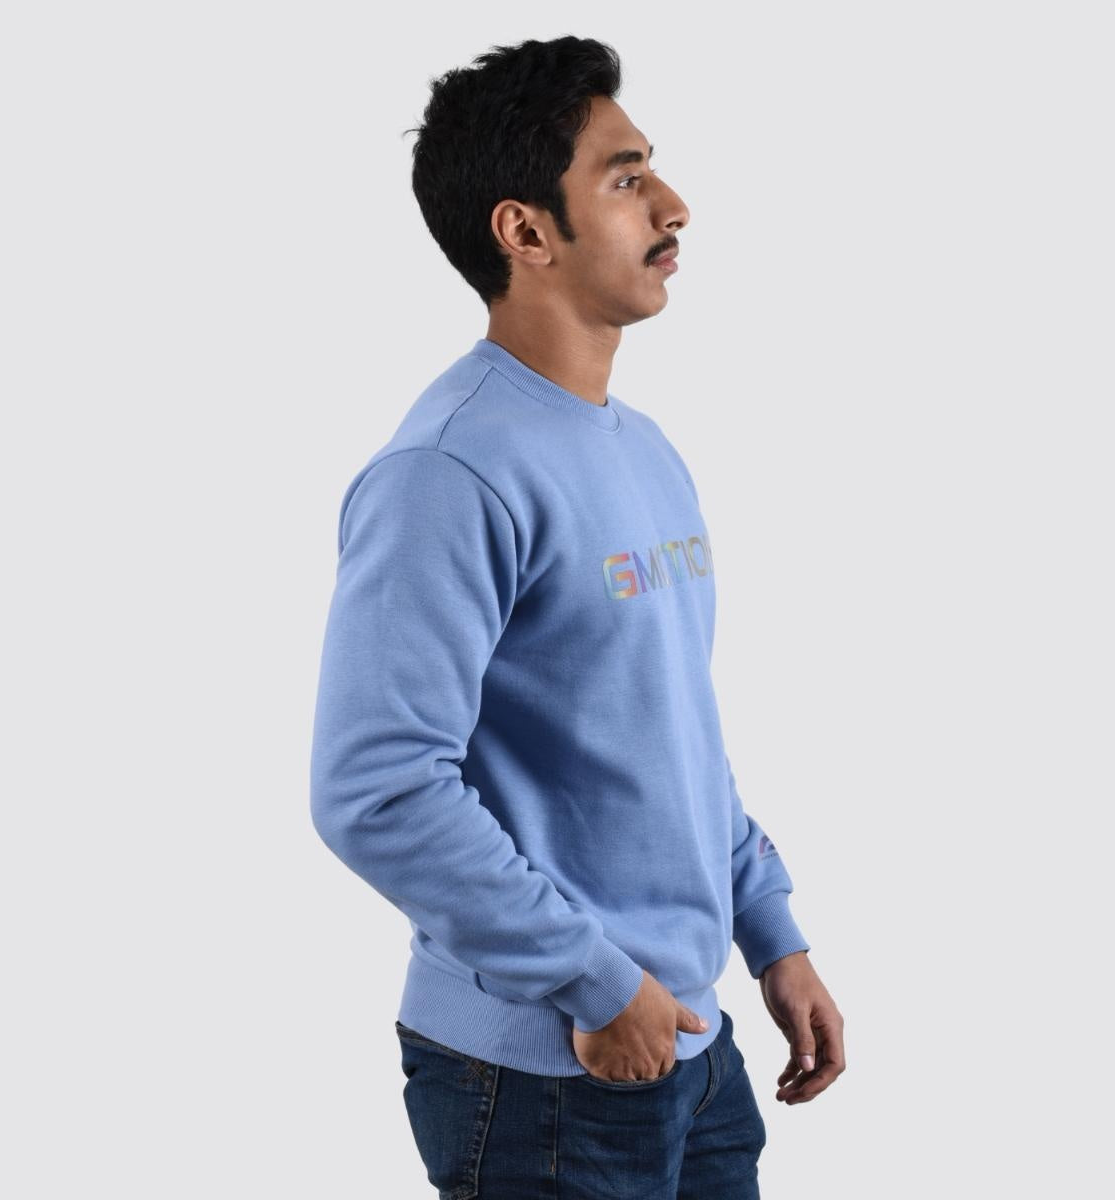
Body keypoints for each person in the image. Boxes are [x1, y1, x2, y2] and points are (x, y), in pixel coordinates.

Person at [309, 34, 845, 1198]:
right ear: (526, 231)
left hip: (689, 1044)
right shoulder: (447, 473)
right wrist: (597, 983)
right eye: (625, 177)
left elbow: (671, 732)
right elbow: (377, 788)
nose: (673, 204)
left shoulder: (643, 450)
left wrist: (769, 929)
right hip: (547, 1070)